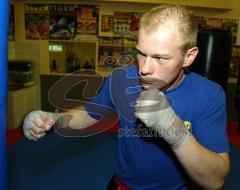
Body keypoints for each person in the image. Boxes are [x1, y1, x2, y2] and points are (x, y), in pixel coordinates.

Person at [23, 4, 230, 190]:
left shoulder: (209, 95)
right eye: (141, 53)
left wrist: (176, 132)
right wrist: (55, 119)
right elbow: (90, 113)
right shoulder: (121, 79)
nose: (145, 69)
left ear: (188, 56)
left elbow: (215, 181)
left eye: (160, 58)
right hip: (122, 185)